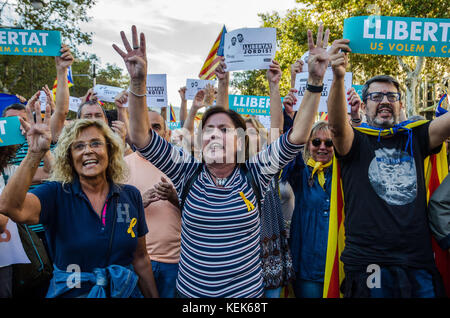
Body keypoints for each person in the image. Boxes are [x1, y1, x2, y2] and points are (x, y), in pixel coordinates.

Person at [113, 24, 330, 298]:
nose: (214, 134)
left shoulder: (257, 172)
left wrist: (314, 80)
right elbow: (140, 136)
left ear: (239, 141)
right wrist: (137, 83)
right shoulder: (185, 171)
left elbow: (298, 135)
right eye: (208, 130)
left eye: (224, 129)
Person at [326, 36, 450, 298]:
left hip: (417, 262)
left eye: (391, 96)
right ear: (365, 103)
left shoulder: (415, 136)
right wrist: (338, 77)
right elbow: (336, 127)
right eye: (376, 95)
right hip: (369, 263)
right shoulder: (355, 140)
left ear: (401, 104)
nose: (384, 100)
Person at [0, 96, 159, 298]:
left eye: (96, 143)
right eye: (79, 146)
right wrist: (35, 152)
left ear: (110, 151)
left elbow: (140, 257)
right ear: (69, 157)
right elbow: (9, 207)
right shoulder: (55, 193)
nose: (88, 151)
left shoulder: (130, 195)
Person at [121, 93, 182, 298]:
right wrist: (136, 203)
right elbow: (110, 215)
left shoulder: (183, 162)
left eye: (156, 127)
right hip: (134, 261)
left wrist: (175, 197)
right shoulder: (120, 167)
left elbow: (204, 211)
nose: (150, 132)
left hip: (177, 263)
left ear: (166, 132)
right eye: (145, 126)